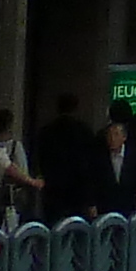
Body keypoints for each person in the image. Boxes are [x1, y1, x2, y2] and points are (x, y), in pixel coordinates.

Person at [32, 94, 111, 224]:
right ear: (76, 108)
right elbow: (89, 165)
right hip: (78, 191)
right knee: (76, 230)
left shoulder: (46, 131)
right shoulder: (84, 131)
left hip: (53, 189)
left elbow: (39, 159)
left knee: (54, 227)